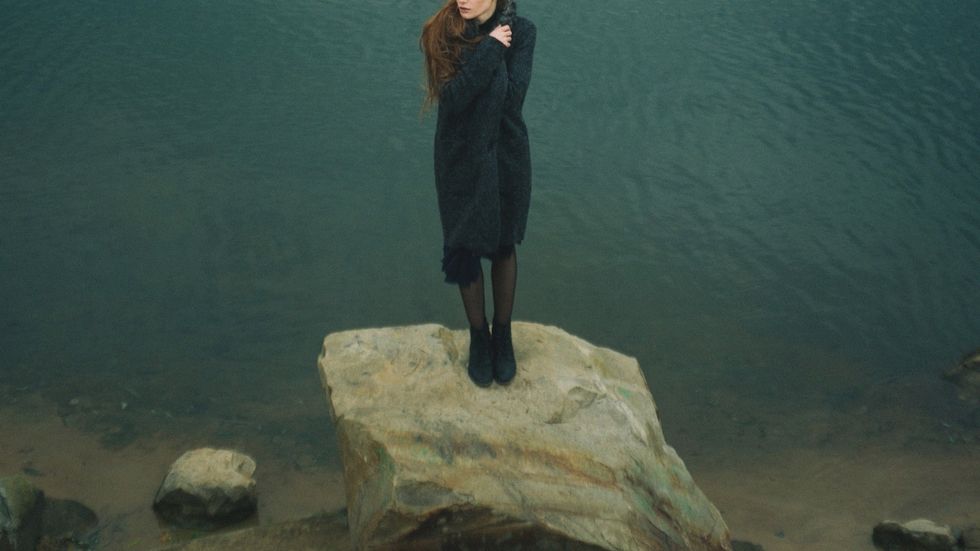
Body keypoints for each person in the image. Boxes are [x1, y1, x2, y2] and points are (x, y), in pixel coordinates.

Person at [420, 0, 536, 388]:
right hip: (459, 158)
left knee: (504, 244)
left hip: (505, 154)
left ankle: (502, 336)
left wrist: (499, 45)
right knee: (465, 247)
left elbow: (511, 96)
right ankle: (478, 338)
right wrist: (489, 48)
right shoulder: (441, 33)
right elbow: (453, 99)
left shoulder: (522, 33)